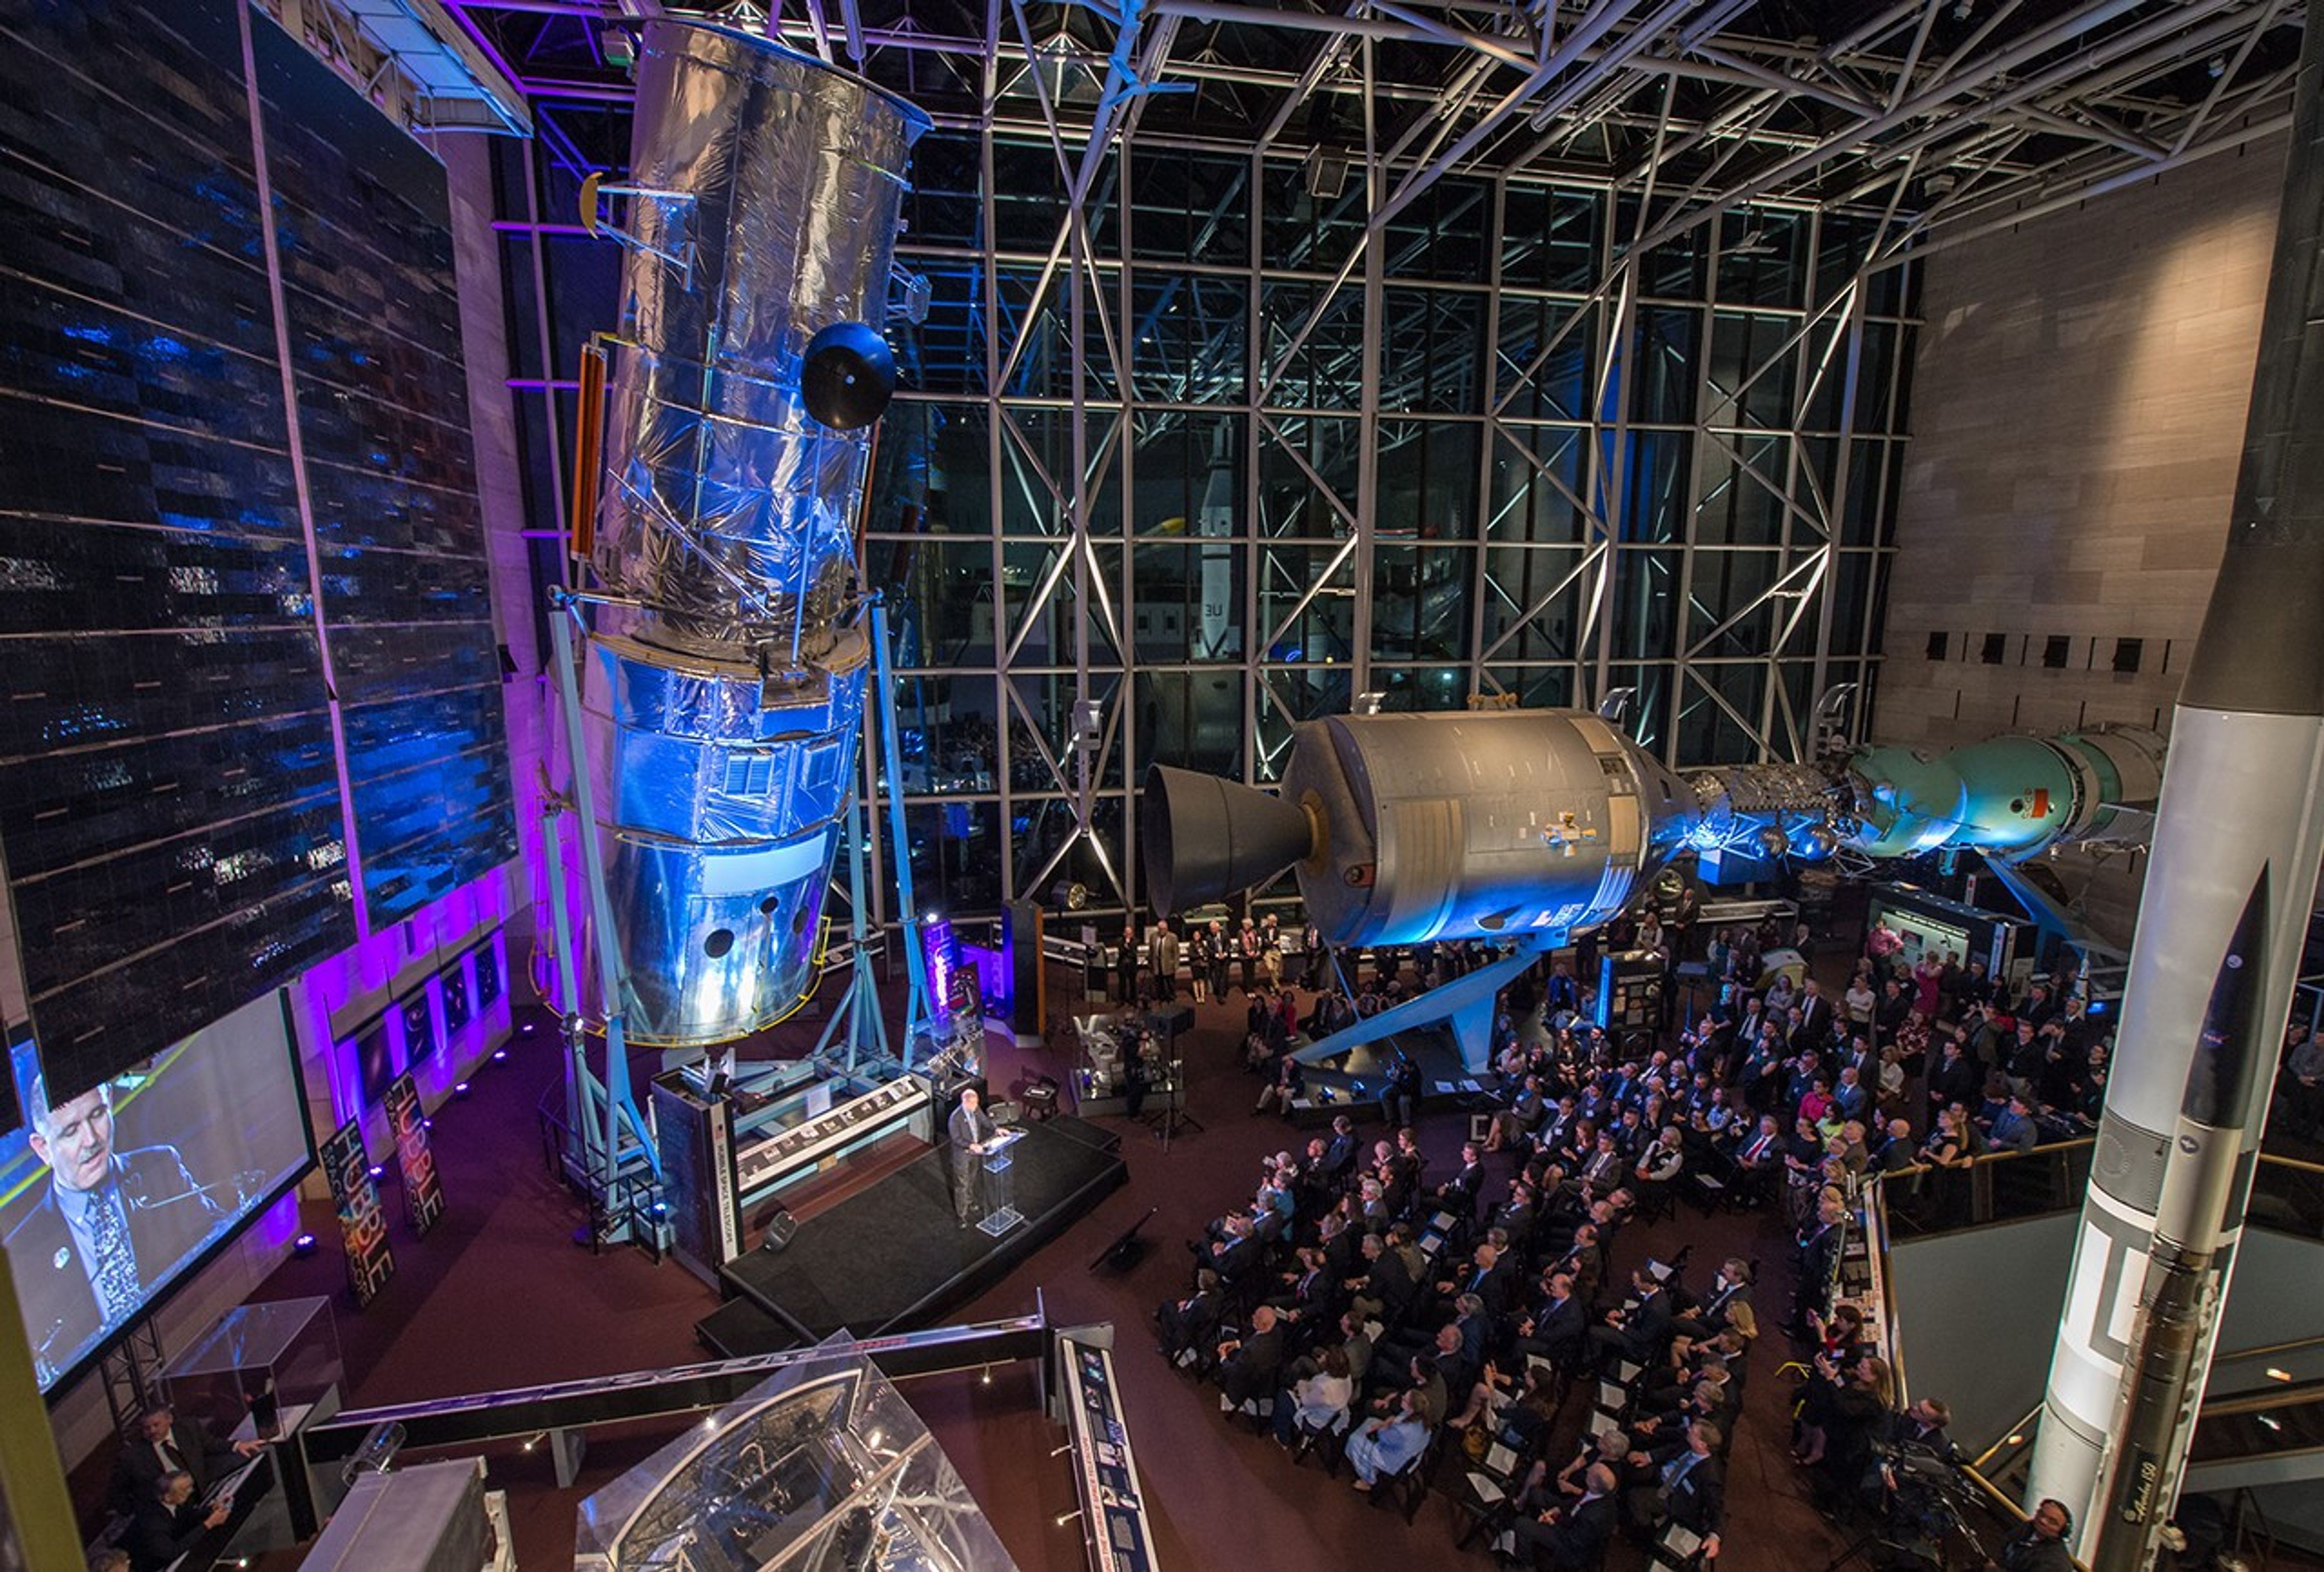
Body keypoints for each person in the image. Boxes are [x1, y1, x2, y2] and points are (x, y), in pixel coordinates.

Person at [6, 1077, 224, 1383]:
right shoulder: (24, 1250)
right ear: (43, 1149)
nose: (92, 1139)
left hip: (192, 1344)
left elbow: (216, 1229)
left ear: (109, 1102)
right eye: (71, 1131)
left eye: (97, 1115)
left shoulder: (160, 1165)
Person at [109, 1402, 261, 1518]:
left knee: (242, 1462)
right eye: (147, 1428)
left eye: (156, 1425)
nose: (152, 1431)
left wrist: (237, 1445)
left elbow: (210, 1445)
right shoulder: (131, 1457)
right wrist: (136, 1512)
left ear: (169, 1419)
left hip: (202, 1486)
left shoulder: (188, 1427)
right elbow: (117, 1491)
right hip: (172, 1509)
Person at [126, 1470, 228, 1572]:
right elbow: (171, 1553)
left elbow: (185, 1515)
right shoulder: (154, 1521)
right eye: (184, 1490)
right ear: (168, 1497)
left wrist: (210, 1511)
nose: (190, 1491)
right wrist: (208, 1524)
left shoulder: (171, 1504)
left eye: (189, 1487)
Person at [946, 1087, 1000, 1227]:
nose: (976, 1107)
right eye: (973, 1104)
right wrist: (971, 1146)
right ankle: (961, 1215)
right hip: (962, 1156)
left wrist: (996, 1129)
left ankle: (969, 1201)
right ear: (965, 1102)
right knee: (961, 1185)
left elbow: (985, 1121)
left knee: (972, 1178)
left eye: (976, 1104)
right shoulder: (955, 1118)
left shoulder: (975, 1110)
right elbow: (956, 1138)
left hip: (976, 1153)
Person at [1988, 1498, 2074, 1572]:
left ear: (2062, 1532)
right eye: (2041, 1514)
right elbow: (2002, 1546)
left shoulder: (2055, 1563)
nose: (2043, 1521)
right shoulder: (2026, 1528)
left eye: (2052, 1522)